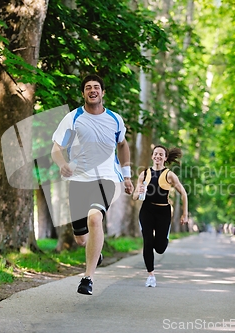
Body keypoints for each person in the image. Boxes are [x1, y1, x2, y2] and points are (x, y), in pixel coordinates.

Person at [51, 74, 134, 295]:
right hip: (78, 180)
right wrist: (62, 164)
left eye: (96, 87)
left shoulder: (115, 119)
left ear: (103, 92)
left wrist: (126, 176)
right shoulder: (73, 117)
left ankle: (87, 278)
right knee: (80, 238)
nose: (92, 90)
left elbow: (123, 145)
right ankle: (94, 251)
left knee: (95, 218)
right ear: (83, 93)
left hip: (106, 178)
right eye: (88, 87)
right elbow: (56, 149)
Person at [133, 145, 188, 287]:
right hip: (147, 210)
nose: (158, 156)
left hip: (163, 212)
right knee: (147, 242)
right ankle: (150, 275)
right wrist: (138, 191)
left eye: (161, 154)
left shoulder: (169, 174)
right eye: (155, 154)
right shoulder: (144, 174)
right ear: (152, 156)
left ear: (165, 158)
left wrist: (184, 214)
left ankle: (165, 238)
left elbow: (184, 193)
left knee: (160, 248)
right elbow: (134, 197)